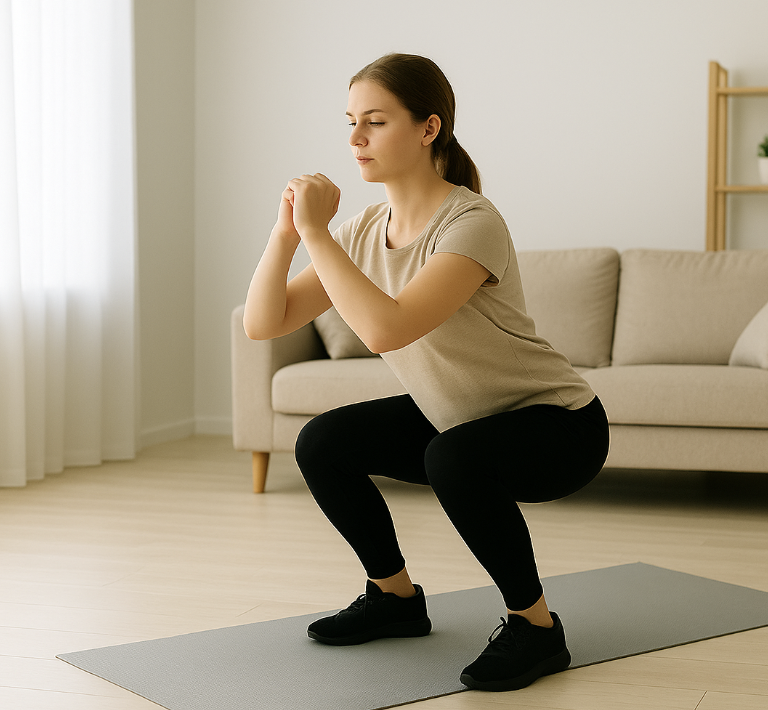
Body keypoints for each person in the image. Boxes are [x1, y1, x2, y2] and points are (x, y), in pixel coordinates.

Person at [243, 53, 609, 693]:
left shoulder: (471, 223)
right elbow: (264, 322)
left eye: (375, 122)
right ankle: (395, 598)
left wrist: (317, 234)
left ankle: (537, 629)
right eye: (351, 122)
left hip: (559, 427)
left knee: (453, 458)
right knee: (322, 443)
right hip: (458, 416)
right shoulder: (362, 230)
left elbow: (388, 327)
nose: (355, 139)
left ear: (428, 128)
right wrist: (286, 234)